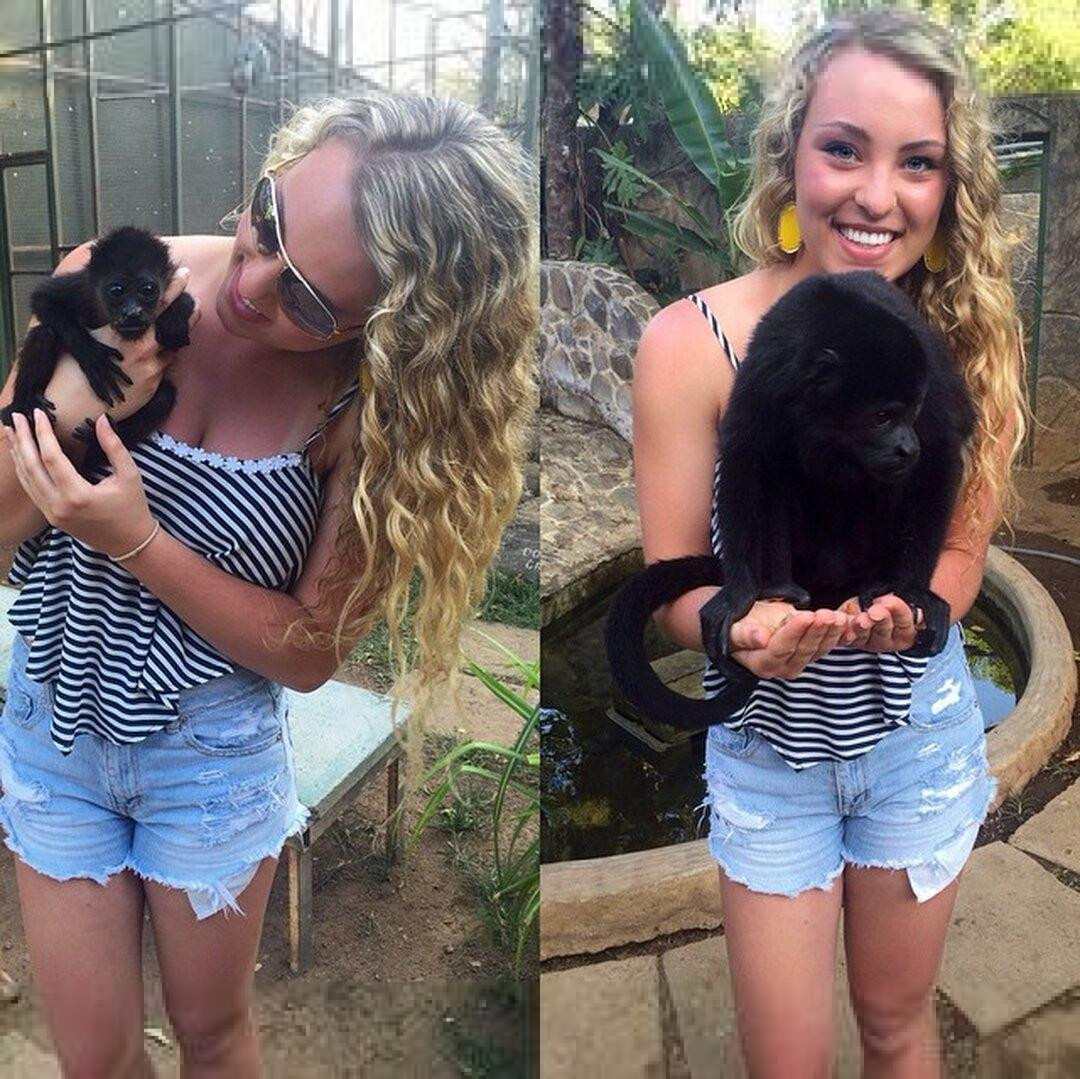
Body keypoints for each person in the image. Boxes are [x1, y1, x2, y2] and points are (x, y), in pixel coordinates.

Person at [0, 93, 536, 1077]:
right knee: (94, 1056)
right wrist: (70, 402)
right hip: (54, 733)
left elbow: (311, 649)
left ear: (394, 325)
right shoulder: (105, 282)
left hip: (207, 760)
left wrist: (138, 541)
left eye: (312, 303)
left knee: (211, 1033)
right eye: (267, 217)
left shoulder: (370, 409)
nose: (250, 285)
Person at [632, 10, 1026, 1077]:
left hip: (919, 741)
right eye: (844, 149)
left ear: (949, 187)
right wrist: (734, 625)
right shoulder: (692, 344)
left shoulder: (970, 341)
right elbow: (672, 579)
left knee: (897, 1027)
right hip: (770, 759)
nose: (876, 195)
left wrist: (920, 612)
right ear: (790, 155)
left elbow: (960, 552)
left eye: (918, 162)